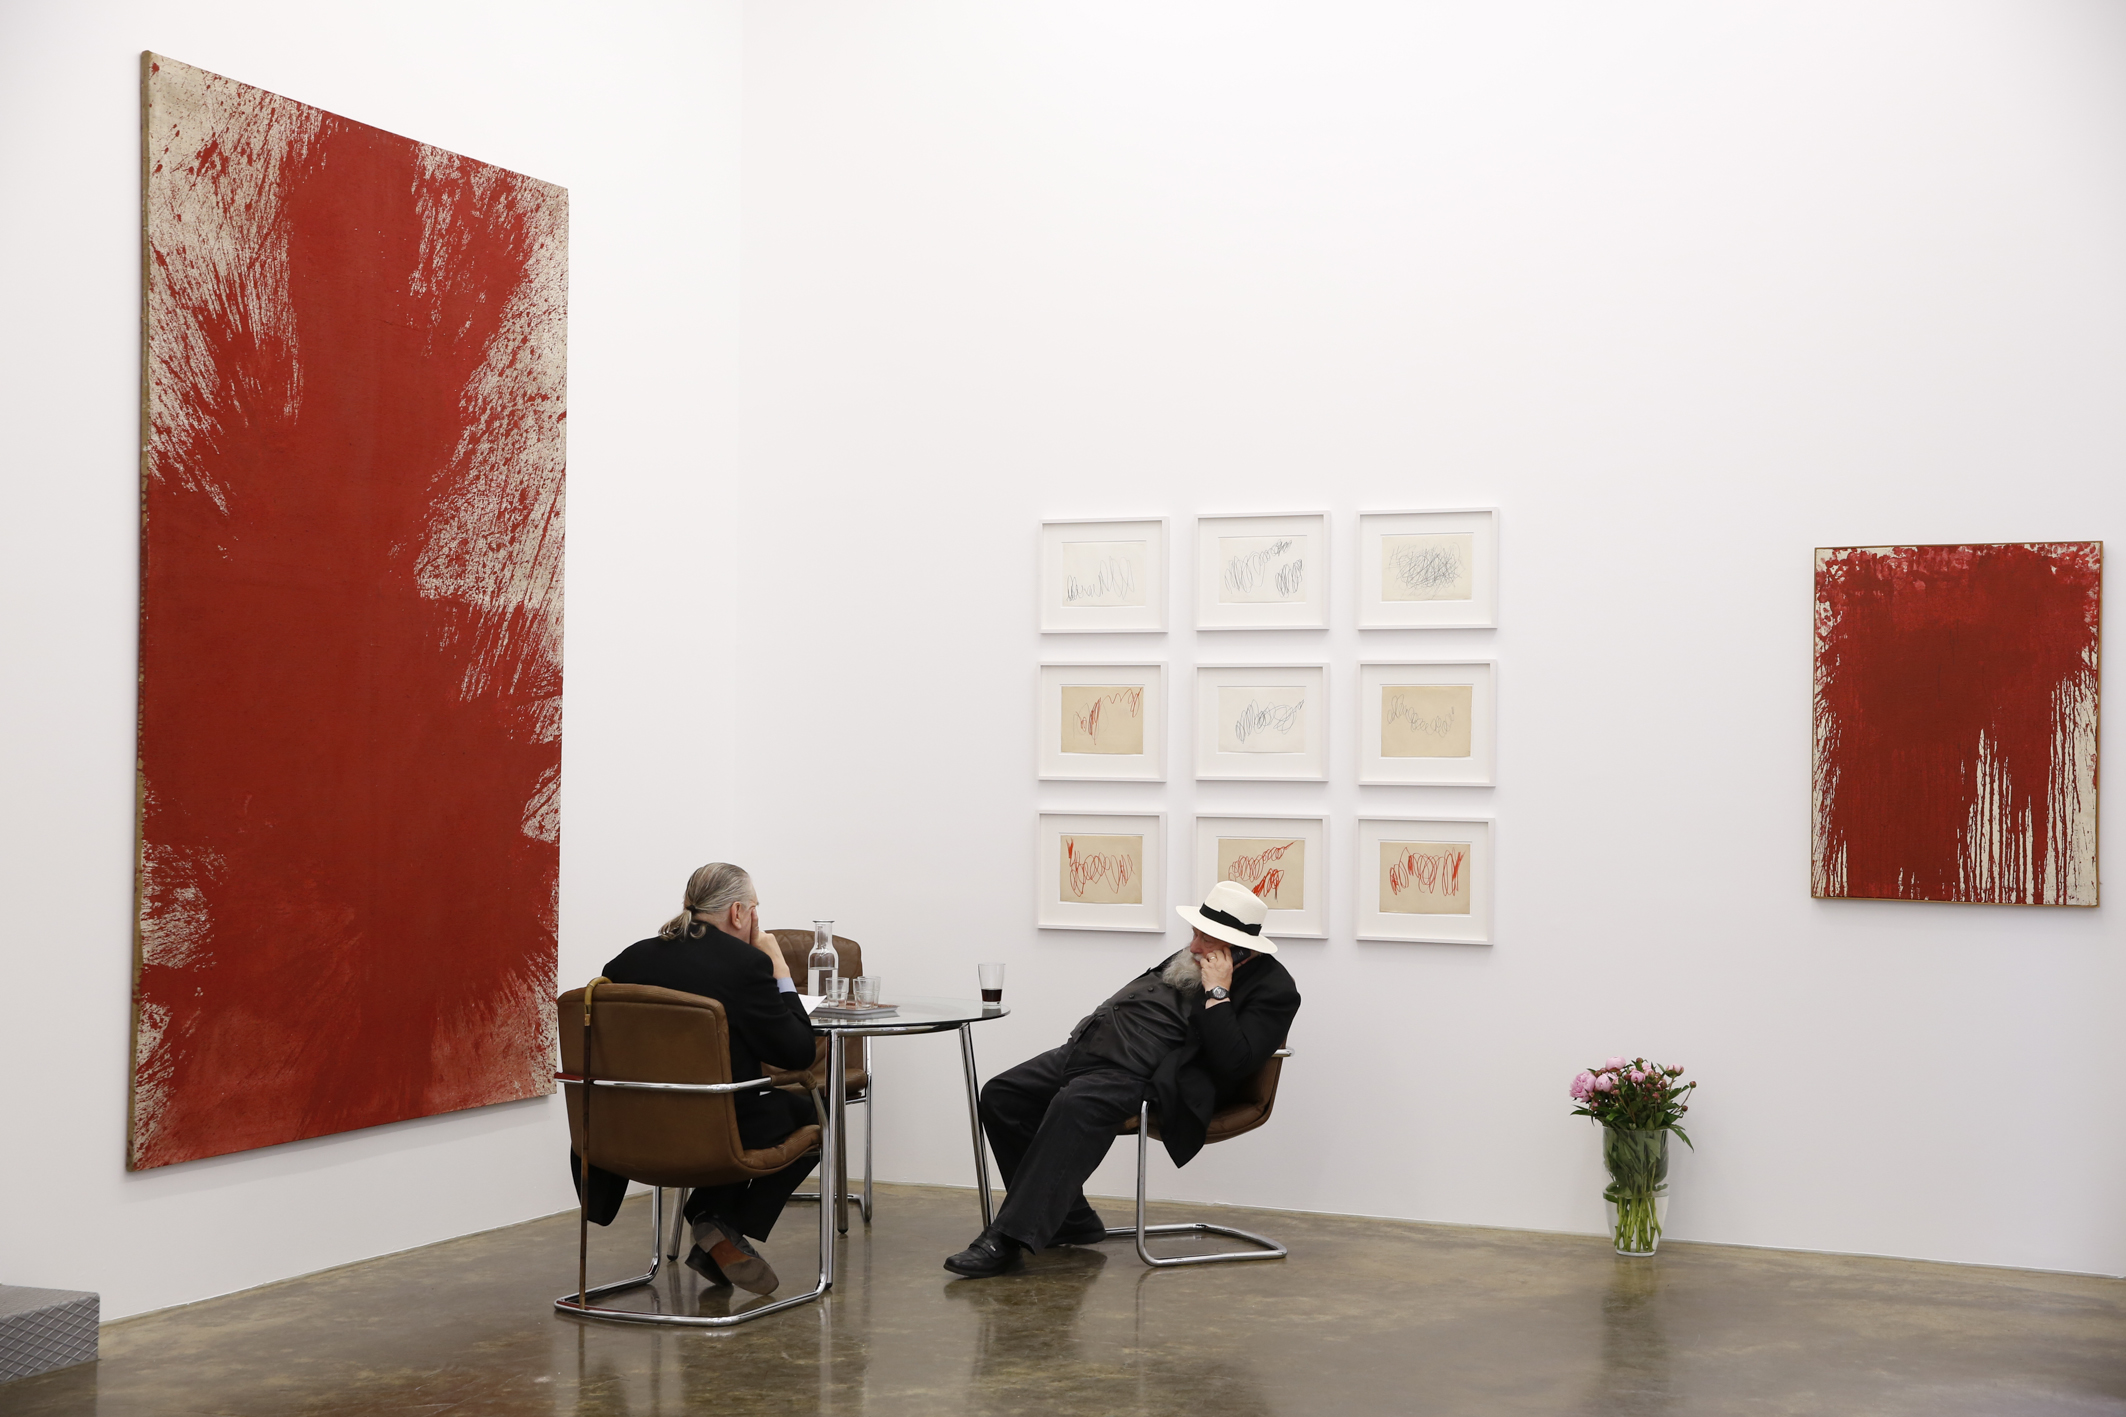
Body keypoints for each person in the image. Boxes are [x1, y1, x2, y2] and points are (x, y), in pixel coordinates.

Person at [944, 880, 1302, 1278]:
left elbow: (1234, 1061)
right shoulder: (1194, 955)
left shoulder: (1276, 989)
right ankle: (1070, 1219)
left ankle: (1009, 1238)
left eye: (1207, 939)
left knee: (1076, 1103)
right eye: (1196, 933)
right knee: (1003, 1095)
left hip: (1153, 1075)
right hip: (1091, 1053)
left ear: (1238, 947)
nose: (1195, 946)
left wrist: (1218, 991)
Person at [585, 863, 820, 1295]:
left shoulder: (627, 960)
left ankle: (716, 1232)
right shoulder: (747, 965)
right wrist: (779, 968)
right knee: (814, 1115)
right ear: (737, 912)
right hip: (713, 1131)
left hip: (626, 1133)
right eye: (754, 910)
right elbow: (798, 1053)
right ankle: (717, 1222)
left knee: (732, 1108)